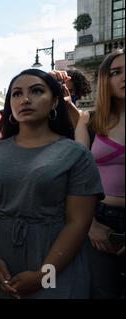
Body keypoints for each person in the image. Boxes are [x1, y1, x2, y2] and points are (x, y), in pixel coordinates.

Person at [0, 69, 104, 299]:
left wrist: (43, 275)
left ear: (55, 100)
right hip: (2, 259)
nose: (25, 99)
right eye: (16, 94)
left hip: (55, 257)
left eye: (36, 91)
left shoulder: (76, 154)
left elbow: (78, 223)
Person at [75, 49, 125, 299]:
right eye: (116, 72)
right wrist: (90, 224)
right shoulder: (89, 121)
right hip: (100, 217)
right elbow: (75, 180)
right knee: (103, 293)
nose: (123, 77)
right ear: (106, 79)